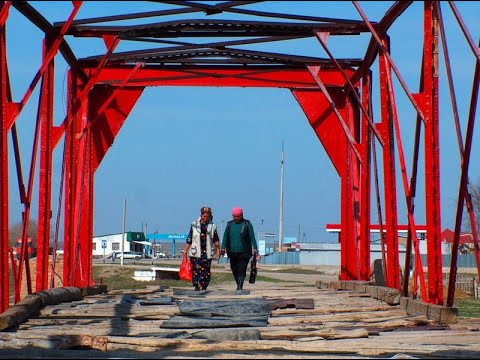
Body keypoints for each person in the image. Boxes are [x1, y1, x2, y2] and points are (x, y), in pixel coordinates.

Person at [183, 206, 221, 291]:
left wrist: (218, 250)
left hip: (207, 252)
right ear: (201, 215)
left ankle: (204, 286)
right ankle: (196, 285)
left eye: (207, 217)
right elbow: (190, 238)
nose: (205, 218)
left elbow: (216, 240)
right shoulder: (194, 225)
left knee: (206, 270)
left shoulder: (213, 226)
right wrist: (186, 250)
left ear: (210, 217)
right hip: (195, 252)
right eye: (204, 216)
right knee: (196, 269)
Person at [221, 207, 258, 290]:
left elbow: (252, 236)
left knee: (242, 268)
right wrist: (223, 247)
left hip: (244, 252)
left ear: (242, 215)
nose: (236, 218)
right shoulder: (229, 224)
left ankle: (240, 286)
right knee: (234, 268)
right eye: (235, 216)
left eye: (238, 216)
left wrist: (255, 247)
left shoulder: (247, 224)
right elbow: (225, 237)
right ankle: (238, 283)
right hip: (232, 251)